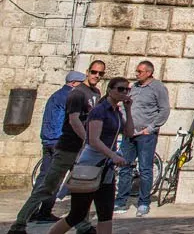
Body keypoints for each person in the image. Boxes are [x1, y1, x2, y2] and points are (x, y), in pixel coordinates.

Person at [8, 61, 105, 234]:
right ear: (87, 72)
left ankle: (83, 226)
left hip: (81, 150)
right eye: (94, 72)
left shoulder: (95, 93)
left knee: (80, 188)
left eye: (100, 73)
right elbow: (74, 120)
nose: (97, 76)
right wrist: (88, 140)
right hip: (67, 147)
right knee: (48, 187)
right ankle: (19, 223)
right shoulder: (77, 93)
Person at [47, 76, 134, 234]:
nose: (124, 92)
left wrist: (128, 110)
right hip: (90, 166)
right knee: (77, 214)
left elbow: (129, 132)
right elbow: (93, 140)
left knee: (106, 214)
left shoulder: (117, 113)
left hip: (105, 170)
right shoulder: (99, 111)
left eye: (127, 90)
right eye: (120, 89)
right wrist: (113, 155)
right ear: (110, 90)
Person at [114, 60, 170, 217]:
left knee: (145, 168)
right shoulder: (134, 87)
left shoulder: (157, 88)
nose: (136, 73)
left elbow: (164, 110)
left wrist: (151, 128)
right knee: (125, 167)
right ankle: (120, 201)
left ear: (149, 72)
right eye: (137, 71)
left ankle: (143, 202)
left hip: (145, 135)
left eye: (140, 71)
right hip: (129, 134)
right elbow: (125, 106)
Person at [27, 72, 84, 224]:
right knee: (56, 179)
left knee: (44, 177)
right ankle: (45, 212)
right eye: (81, 84)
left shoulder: (56, 95)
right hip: (59, 141)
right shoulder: (69, 97)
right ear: (73, 83)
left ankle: (31, 212)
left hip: (48, 140)